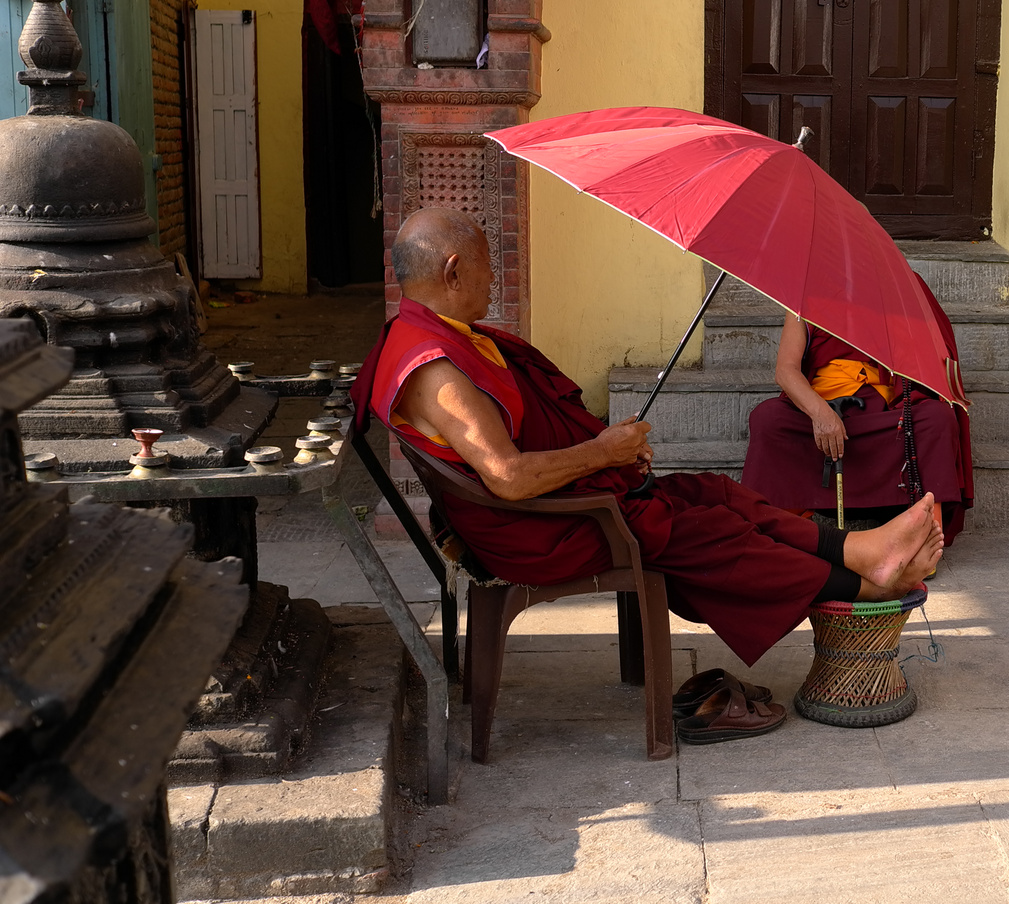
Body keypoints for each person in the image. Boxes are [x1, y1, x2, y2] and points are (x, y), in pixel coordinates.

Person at [364, 208, 944, 675]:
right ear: (453, 270)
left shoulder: (443, 336)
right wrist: (603, 453)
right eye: (491, 266)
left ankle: (858, 551)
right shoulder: (434, 368)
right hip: (538, 529)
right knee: (705, 527)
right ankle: (863, 582)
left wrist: (604, 446)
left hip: (554, 506)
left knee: (712, 490)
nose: (496, 279)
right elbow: (508, 477)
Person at [741, 280, 973, 546]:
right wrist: (820, 414)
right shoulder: (806, 298)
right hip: (819, 407)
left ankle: (923, 535)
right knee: (768, 418)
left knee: (936, 418)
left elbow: (926, 364)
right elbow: (785, 371)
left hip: (881, 415)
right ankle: (778, 524)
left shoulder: (895, 291)